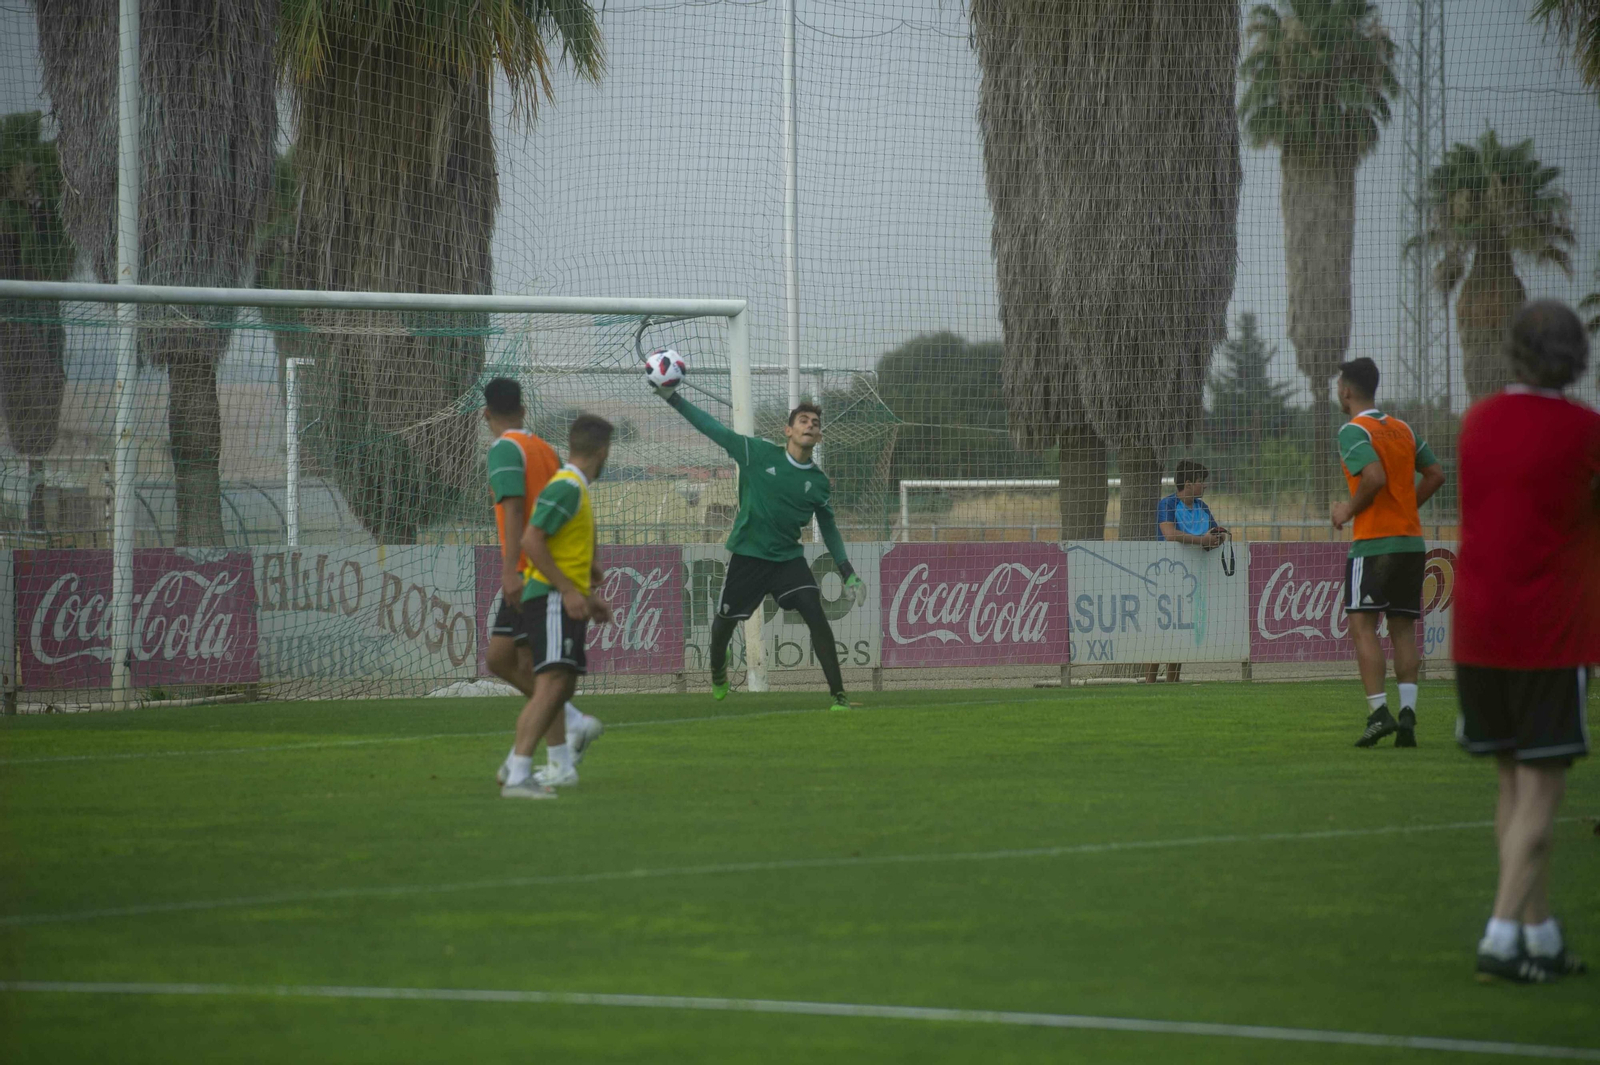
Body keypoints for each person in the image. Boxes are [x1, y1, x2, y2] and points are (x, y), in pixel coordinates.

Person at [1454, 301, 1596, 983]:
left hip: (1478, 628)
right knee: (1542, 794)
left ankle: (1539, 933)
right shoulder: (1585, 430)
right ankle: (1501, 934)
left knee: (1513, 783)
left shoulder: (1477, 420)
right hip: (1550, 633)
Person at [655, 382, 865, 711]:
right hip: (748, 556)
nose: (810, 425)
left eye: (815, 423)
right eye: (803, 420)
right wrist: (673, 397)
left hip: (787, 560)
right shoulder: (758, 453)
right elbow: (713, 429)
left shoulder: (818, 482)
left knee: (815, 612)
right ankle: (718, 669)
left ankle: (839, 696)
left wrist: (847, 572)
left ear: (819, 437)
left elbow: (829, 527)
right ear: (788, 431)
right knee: (723, 627)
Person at [483, 379, 602, 786]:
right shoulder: (546, 450)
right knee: (504, 659)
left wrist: (509, 570)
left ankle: (557, 752)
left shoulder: (505, 448)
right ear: (523, 408)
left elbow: (515, 509)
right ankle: (568, 735)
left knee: (537, 669)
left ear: (486, 414)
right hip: (543, 566)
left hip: (529, 570)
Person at [1331, 357, 1447, 748]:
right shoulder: (1403, 429)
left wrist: (1348, 510)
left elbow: (1374, 477)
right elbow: (1436, 474)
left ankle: (1379, 713)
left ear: (1347, 390)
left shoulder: (1353, 430)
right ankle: (1408, 713)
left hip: (1374, 545)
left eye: (1339, 385)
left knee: (1362, 627)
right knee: (1403, 629)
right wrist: (1408, 508)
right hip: (1411, 544)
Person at [1148, 460, 1228, 684]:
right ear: (1189, 483)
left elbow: (1214, 530)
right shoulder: (1168, 504)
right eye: (1202, 481)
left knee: (1182, 630)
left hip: (1194, 577)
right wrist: (1201, 540)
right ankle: (1149, 681)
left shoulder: (1202, 507)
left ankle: (1173, 681)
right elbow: (1169, 534)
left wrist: (1218, 538)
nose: (1205, 485)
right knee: (1161, 631)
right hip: (1167, 575)